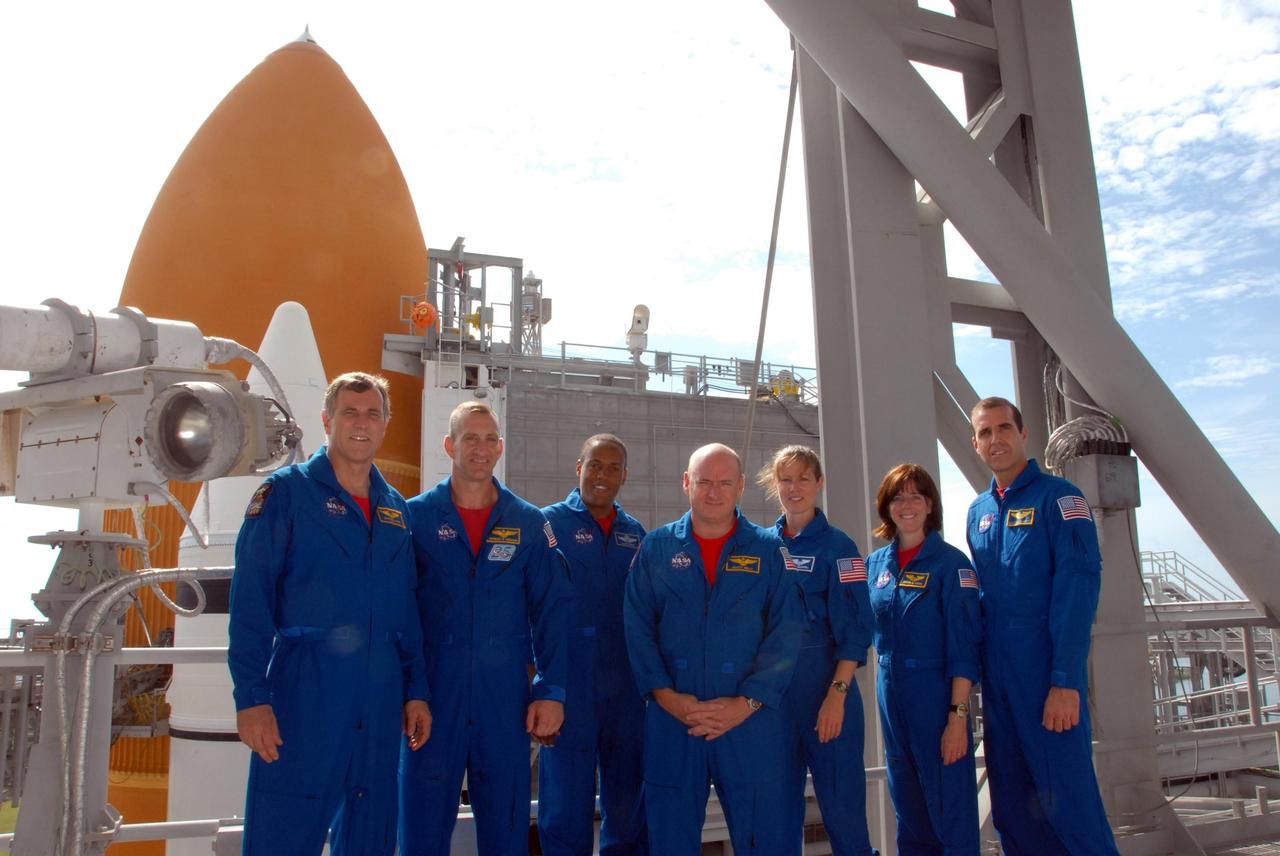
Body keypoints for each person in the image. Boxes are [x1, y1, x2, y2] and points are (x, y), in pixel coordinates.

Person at [228, 372, 431, 856]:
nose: (361, 423)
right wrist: (251, 697)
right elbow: (251, 600)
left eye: (372, 413)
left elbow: (406, 610)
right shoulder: (286, 494)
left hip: (381, 691)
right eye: (350, 412)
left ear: (385, 424)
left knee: (372, 826)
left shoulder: (396, 511)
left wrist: (416, 690)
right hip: (306, 683)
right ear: (327, 420)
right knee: (285, 823)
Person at [399, 400, 570, 855]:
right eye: (470, 438)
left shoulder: (530, 524)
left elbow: (552, 613)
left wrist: (551, 691)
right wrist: (411, 689)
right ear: (449, 444)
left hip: (504, 700)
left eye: (489, 439)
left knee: (507, 826)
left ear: (500, 448)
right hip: (433, 698)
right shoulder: (414, 519)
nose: (480, 448)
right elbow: (399, 612)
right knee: (421, 825)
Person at [624, 442, 802, 855]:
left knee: (766, 842)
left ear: (741, 487)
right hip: (673, 723)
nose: (714, 492)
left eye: (725, 483)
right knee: (669, 841)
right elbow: (637, 629)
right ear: (687, 483)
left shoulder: (769, 551)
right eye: (704, 482)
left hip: (749, 725)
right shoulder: (656, 548)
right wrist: (667, 698)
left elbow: (786, 633)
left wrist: (747, 703)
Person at [966, 396, 1120, 855]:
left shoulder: (1062, 499)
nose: (996, 440)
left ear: (1023, 433)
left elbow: (1077, 592)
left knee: (1070, 806)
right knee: (1013, 811)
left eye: (1003, 428)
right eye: (985, 432)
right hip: (999, 685)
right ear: (975, 443)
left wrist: (1065, 681)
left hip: (1045, 677)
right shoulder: (978, 512)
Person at [757, 445, 875, 855]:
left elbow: (858, 629)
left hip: (826, 690)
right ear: (775, 486)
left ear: (819, 483)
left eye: (803, 478)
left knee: (843, 812)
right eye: (785, 479)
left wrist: (836, 696)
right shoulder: (761, 545)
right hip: (775, 699)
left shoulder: (839, 548)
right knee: (777, 813)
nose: (794, 488)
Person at [538, 434, 648, 855]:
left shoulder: (635, 534)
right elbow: (531, 605)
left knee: (627, 804)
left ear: (625, 476)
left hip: (625, 691)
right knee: (565, 806)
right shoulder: (547, 525)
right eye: (595, 465)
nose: (602, 475)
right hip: (569, 689)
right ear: (578, 468)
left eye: (613, 467)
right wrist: (541, 684)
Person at [867, 463, 981, 855]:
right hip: (891, 693)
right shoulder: (876, 565)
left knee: (949, 804)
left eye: (916, 495)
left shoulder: (952, 566)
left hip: (935, 696)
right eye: (898, 497)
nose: (907, 504)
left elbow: (964, 650)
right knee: (908, 806)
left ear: (930, 504)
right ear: (887, 507)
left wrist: (956, 718)